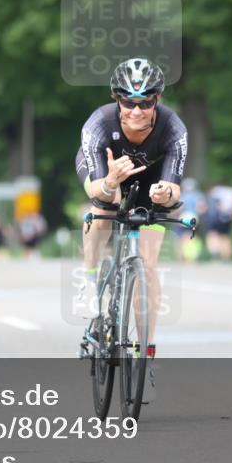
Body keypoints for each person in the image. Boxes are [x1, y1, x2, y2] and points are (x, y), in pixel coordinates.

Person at [75, 57, 187, 396]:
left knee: (149, 266)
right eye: (128, 101)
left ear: (157, 100)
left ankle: (144, 359)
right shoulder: (98, 124)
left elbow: (175, 189)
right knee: (103, 208)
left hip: (152, 183)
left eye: (146, 102)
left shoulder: (173, 129)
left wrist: (166, 194)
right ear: (116, 99)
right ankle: (90, 277)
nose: (136, 110)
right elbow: (96, 190)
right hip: (106, 173)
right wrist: (109, 180)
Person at [175, 177, 206, 262]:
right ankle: (192, 255)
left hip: (183, 218)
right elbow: (202, 208)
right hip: (194, 218)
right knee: (191, 237)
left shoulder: (181, 195)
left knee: (181, 238)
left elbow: (179, 209)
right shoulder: (198, 195)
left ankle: (182, 257)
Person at [206, 182, 232, 260]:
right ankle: (226, 256)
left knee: (213, 235)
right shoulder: (231, 192)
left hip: (215, 218)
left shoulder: (216, 192)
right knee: (225, 237)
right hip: (226, 218)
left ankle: (215, 254)